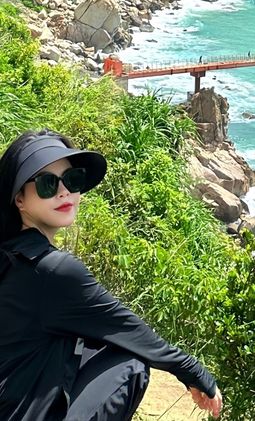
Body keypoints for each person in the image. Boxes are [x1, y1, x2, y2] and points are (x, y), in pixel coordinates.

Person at [0, 130, 223, 421]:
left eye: (72, 179)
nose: (64, 192)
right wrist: (196, 373)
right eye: (47, 184)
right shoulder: (52, 269)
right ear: (19, 199)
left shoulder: (11, 252)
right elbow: (131, 331)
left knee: (94, 344)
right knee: (130, 363)